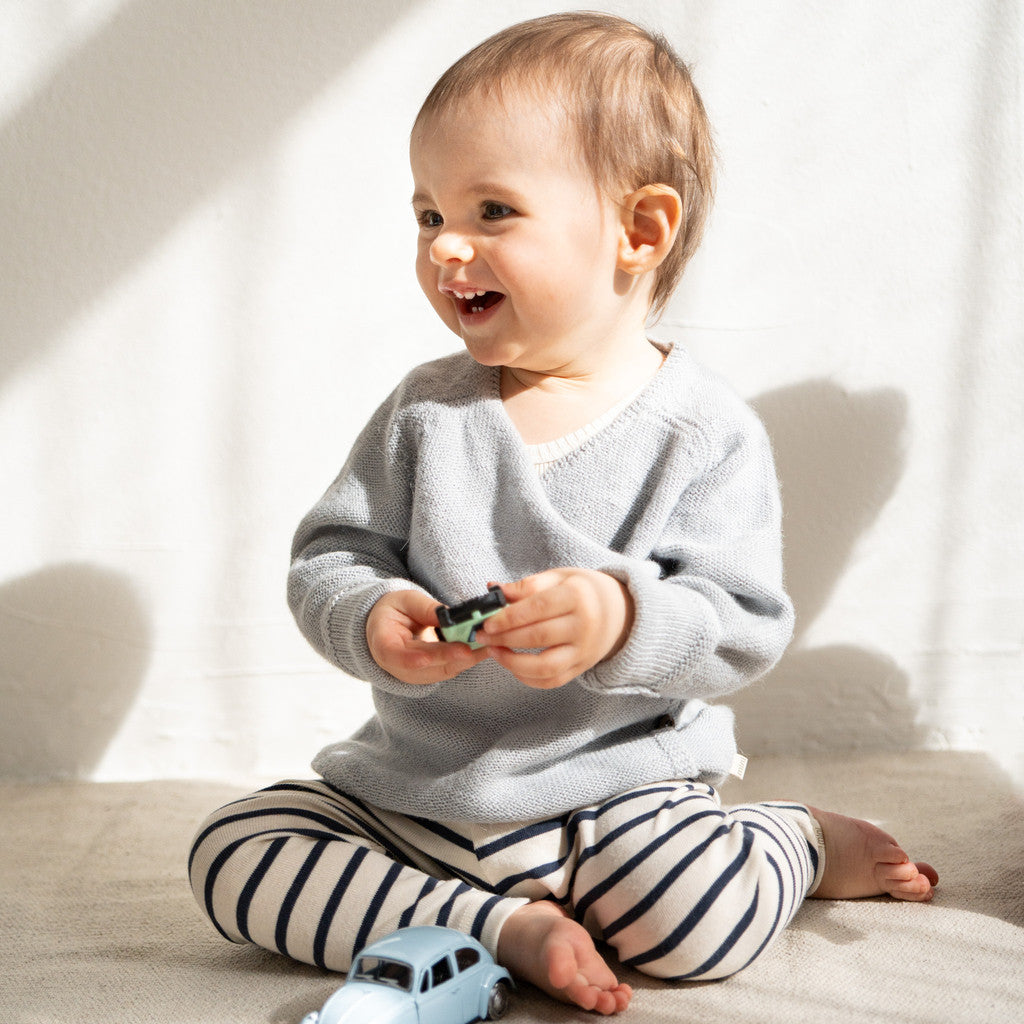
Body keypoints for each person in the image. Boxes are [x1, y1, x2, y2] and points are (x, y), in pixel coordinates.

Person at [189, 13, 937, 1015]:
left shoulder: (703, 432)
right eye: (427, 214)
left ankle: (793, 840)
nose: (446, 245)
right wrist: (368, 616)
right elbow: (331, 555)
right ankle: (495, 927)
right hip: (412, 796)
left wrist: (622, 619)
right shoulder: (426, 411)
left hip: (615, 801)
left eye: (492, 210)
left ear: (640, 231)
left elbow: (742, 624)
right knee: (232, 852)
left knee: (692, 924)